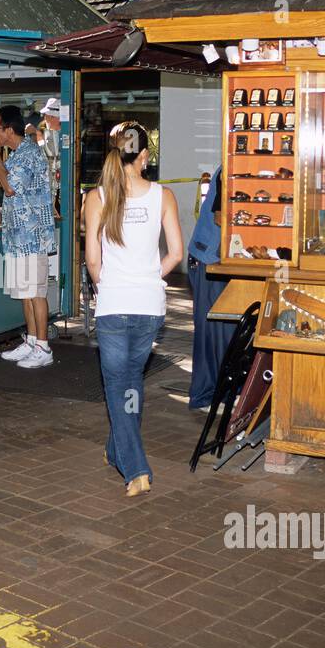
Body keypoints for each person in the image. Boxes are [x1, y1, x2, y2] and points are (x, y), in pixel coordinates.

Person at [83, 131, 184, 498]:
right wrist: (148, 278)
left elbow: (93, 259)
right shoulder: (164, 196)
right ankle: (116, 449)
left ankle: (137, 468)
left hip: (113, 304)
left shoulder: (96, 198)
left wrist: (105, 285)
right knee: (132, 380)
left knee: (117, 385)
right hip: (149, 306)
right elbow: (175, 253)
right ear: (142, 157)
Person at [0, 104, 56, 369]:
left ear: (8, 129)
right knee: (26, 293)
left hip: (32, 235)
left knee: (36, 293)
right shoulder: (16, 154)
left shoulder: (28, 154)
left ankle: (43, 346)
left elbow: (10, 187)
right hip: (18, 236)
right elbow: (0, 180)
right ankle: (31, 341)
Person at [188, 164, 235, 409]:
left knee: (227, 332)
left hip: (224, 261)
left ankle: (226, 393)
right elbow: (220, 217)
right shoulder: (230, 167)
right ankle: (204, 396)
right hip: (208, 259)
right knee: (210, 333)